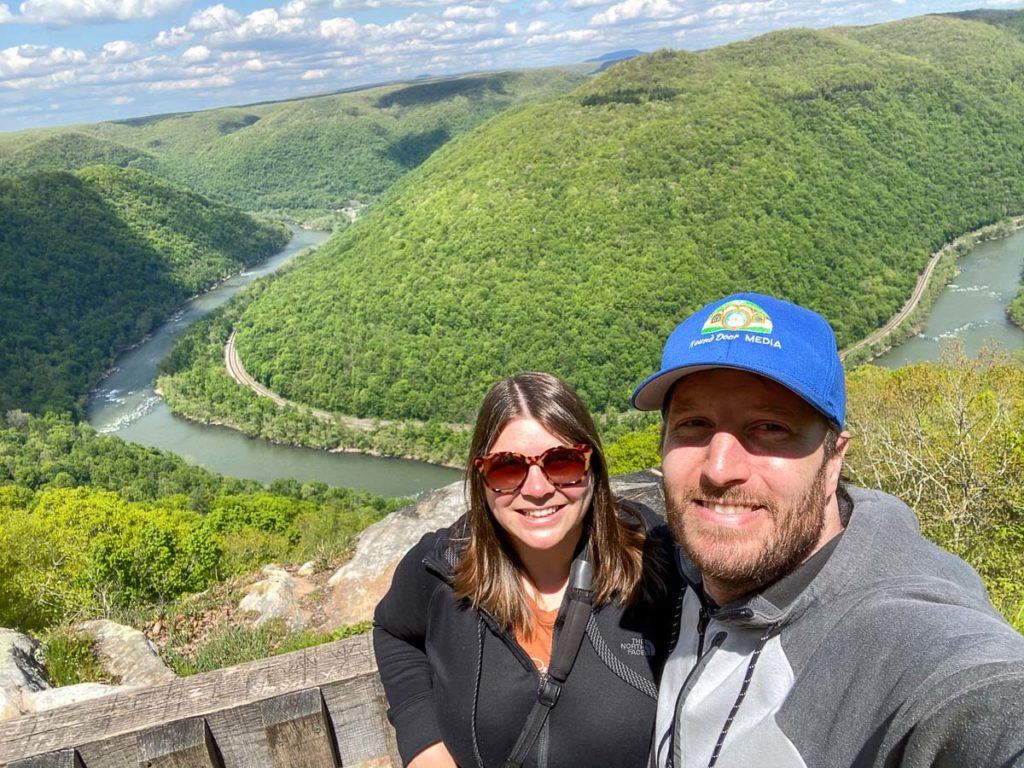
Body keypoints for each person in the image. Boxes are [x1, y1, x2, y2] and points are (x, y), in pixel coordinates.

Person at [630, 292, 1024, 768]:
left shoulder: (900, 640)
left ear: (833, 458)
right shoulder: (678, 567)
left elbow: (985, 698)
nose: (719, 469)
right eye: (694, 424)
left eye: (769, 427)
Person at [374, 371, 677, 768]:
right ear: (481, 479)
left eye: (563, 461)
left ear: (593, 466)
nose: (536, 489)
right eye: (507, 469)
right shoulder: (444, 566)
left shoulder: (658, 561)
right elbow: (393, 631)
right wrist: (424, 743)